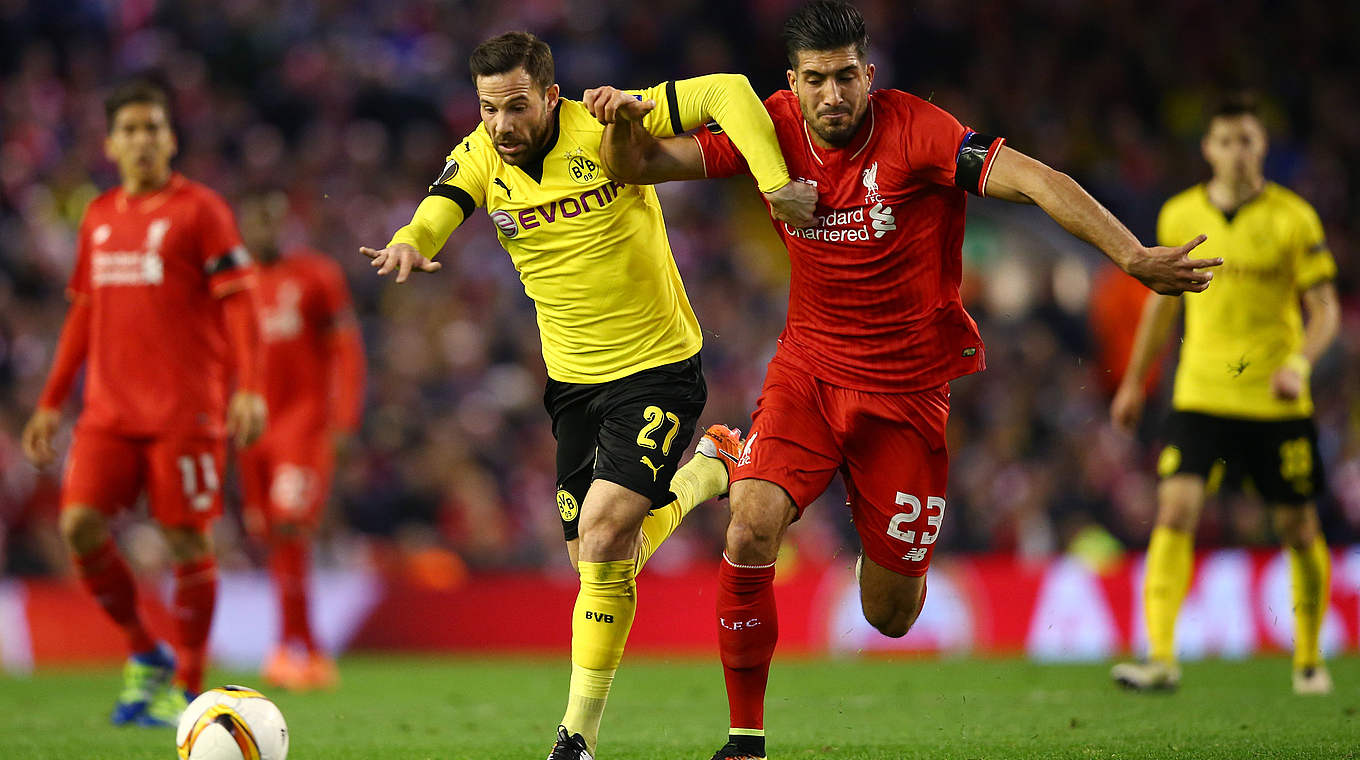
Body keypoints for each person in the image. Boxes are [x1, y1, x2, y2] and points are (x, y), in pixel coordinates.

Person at [587, 2, 1221, 757]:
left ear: (869, 74)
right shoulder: (770, 126)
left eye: (846, 77)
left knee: (890, 616)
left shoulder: (921, 132)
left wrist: (1131, 256)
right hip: (809, 373)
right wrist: (621, 118)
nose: (832, 95)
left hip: (907, 396)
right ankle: (745, 738)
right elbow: (638, 166)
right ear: (793, 82)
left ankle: (885, 536)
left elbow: (1041, 181)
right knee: (752, 523)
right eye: (816, 80)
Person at [358, 32, 816, 760]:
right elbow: (441, 203)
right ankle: (710, 469)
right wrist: (413, 238)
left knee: (604, 536)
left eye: (515, 107)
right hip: (572, 385)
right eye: (487, 109)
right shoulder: (482, 155)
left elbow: (728, 88)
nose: (501, 124)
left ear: (550, 95)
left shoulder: (606, 124)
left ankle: (575, 739)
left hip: (659, 368)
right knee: (601, 561)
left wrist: (771, 184)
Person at [20, 80, 267, 726]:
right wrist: (51, 401)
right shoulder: (99, 216)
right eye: (128, 129)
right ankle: (142, 649)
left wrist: (248, 386)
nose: (141, 140)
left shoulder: (201, 210)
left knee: (186, 539)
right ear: (109, 143)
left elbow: (240, 304)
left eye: (152, 127)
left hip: (186, 409)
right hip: (108, 412)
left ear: (171, 138)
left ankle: (187, 685)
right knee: (77, 525)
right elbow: (81, 313)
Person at [1109, 93, 1340, 695]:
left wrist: (1300, 364)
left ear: (1262, 147)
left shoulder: (1294, 218)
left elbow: (1325, 311)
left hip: (1274, 398)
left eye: (1248, 141)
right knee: (1176, 509)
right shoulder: (1179, 215)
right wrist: (1136, 382)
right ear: (1208, 148)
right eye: (1226, 141)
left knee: (1297, 527)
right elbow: (1162, 309)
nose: (1238, 152)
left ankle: (1309, 660)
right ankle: (1160, 656)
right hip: (1201, 393)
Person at [236, 193, 366, 691]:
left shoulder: (316, 276)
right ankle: (299, 647)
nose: (263, 232)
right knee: (268, 534)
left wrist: (343, 420)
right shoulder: (236, 284)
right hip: (253, 429)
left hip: (303, 426)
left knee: (291, 526)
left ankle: (299, 650)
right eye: (255, 222)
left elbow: (346, 351)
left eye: (271, 220)